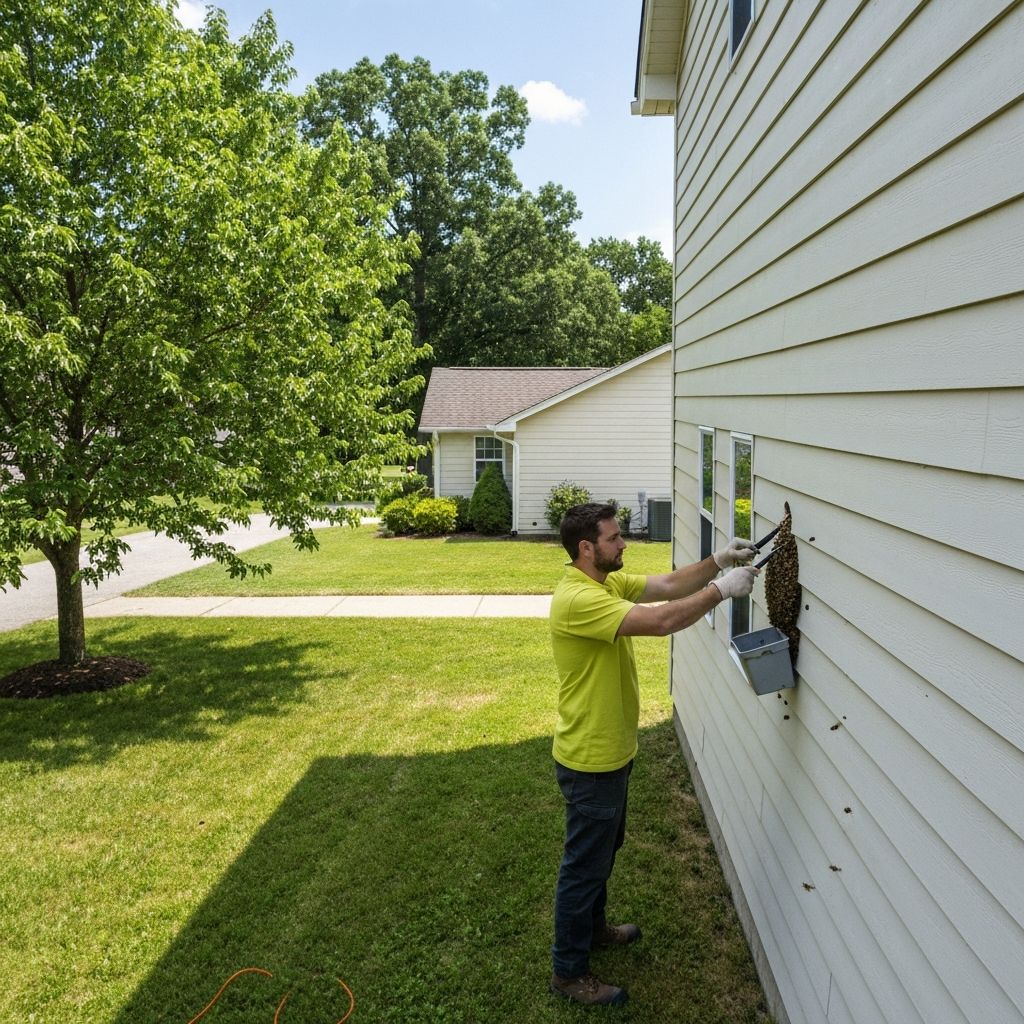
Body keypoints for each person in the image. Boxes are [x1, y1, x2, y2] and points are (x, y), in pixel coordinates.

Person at [548, 502, 758, 1006]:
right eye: (615, 538)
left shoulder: (603, 583)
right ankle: (569, 972)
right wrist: (721, 593)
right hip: (590, 760)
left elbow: (665, 587)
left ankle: (594, 929)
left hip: (612, 752)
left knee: (601, 856)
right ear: (587, 548)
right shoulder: (578, 599)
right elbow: (663, 620)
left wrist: (718, 563)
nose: (623, 545)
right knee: (583, 867)